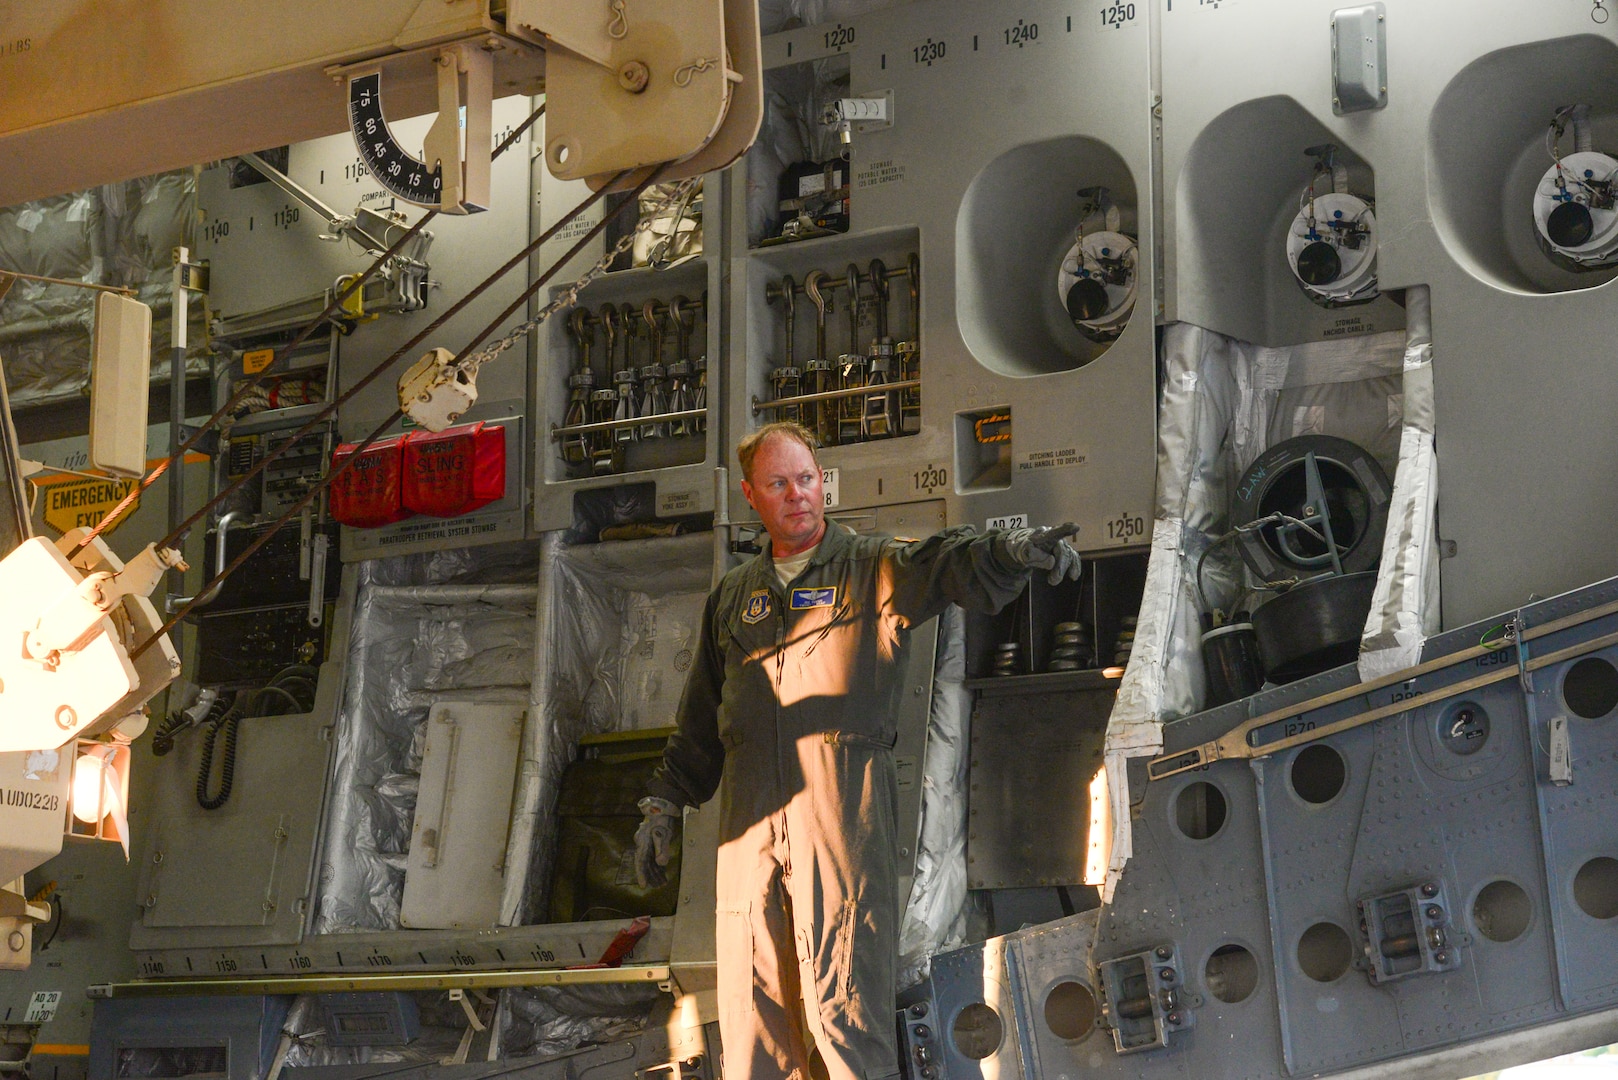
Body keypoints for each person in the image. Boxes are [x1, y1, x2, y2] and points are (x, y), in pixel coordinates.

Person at [634, 421, 1081, 1080]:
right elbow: (700, 720)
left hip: (841, 821)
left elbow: (948, 559)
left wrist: (1009, 551)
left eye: (807, 480)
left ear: (824, 485)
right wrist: (664, 803)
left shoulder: (874, 567)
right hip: (750, 831)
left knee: (844, 1013)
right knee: (754, 1015)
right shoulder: (733, 598)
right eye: (779, 483)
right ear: (751, 498)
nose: (797, 495)